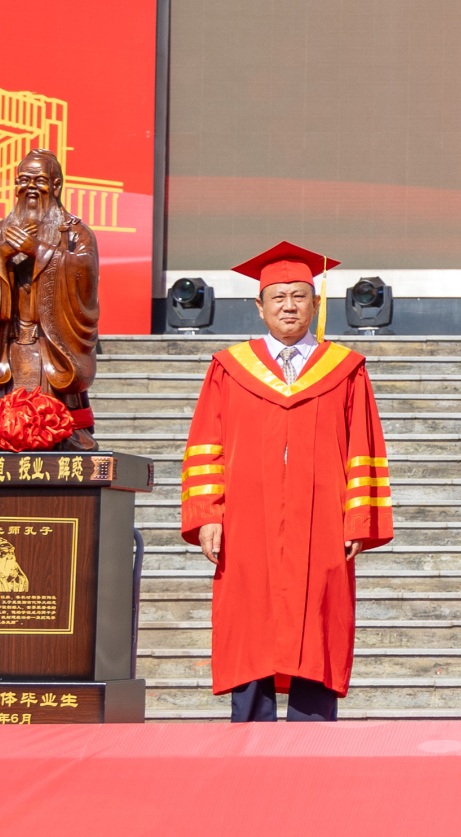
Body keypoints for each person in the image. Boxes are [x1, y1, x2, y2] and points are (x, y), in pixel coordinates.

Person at [180, 241, 393, 722]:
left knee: (318, 623)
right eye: (278, 297)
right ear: (259, 307)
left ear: (316, 304)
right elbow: (206, 446)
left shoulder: (345, 370)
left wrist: (358, 520)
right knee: (249, 621)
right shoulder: (230, 369)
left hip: (321, 524)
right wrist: (208, 515)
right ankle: (249, 737)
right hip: (246, 522)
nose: (289, 306)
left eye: (299, 296)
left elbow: (363, 449)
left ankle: (311, 741)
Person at [0, 148, 100, 450]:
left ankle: (65, 429)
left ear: (56, 185)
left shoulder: (76, 233)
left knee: (65, 440)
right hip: (8, 346)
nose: (30, 187)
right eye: (23, 180)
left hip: (53, 347)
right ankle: (0, 430)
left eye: (39, 180)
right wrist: (1, 253)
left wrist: (38, 250)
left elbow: (84, 271)